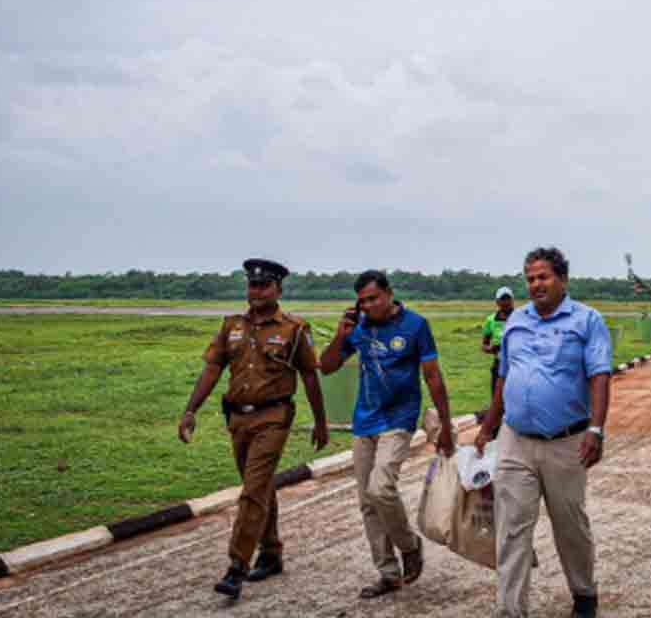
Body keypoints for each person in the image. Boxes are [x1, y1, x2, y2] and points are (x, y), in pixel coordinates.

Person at [177, 258, 329, 601]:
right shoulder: (231, 325)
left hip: (274, 417)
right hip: (238, 419)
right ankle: (272, 552)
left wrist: (320, 422)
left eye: (264, 285)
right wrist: (190, 410)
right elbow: (213, 369)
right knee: (258, 488)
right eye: (252, 285)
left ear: (278, 289)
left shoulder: (294, 329)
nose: (256, 291)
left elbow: (309, 376)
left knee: (252, 489)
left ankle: (236, 567)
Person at [475, 247, 612, 618]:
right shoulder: (516, 322)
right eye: (530, 278)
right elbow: (505, 376)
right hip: (516, 440)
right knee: (512, 528)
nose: (536, 284)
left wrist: (596, 429)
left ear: (562, 280)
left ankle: (584, 594)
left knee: (570, 524)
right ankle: (510, 610)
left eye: (543, 277)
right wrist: (488, 426)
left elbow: (599, 376)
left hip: (566, 442)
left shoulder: (587, 321)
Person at [319, 270, 454, 600]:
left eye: (373, 298)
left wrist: (446, 427)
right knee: (367, 502)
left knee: (381, 487)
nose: (367, 305)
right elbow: (327, 365)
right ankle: (389, 574)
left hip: (399, 418)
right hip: (364, 421)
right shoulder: (360, 328)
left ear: (389, 294)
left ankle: (409, 546)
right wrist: (341, 335)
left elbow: (433, 378)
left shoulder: (416, 326)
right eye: (362, 301)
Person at [474, 286, 516, 434]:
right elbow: (484, 345)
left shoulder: (519, 317)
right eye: (502, 299)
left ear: (512, 300)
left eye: (508, 299)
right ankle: (496, 432)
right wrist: (492, 349)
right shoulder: (491, 320)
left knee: (515, 398)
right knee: (497, 399)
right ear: (497, 302)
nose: (505, 302)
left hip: (517, 366)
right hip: (499, 365)